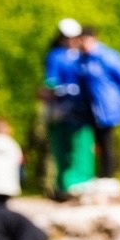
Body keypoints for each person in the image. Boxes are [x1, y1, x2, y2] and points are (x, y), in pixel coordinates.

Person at [42, 19, 96, 199]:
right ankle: (65, 185)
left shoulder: (83, 56)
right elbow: (51, 81)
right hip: (62, 109)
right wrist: (61, 89)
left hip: (83, 110)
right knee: (62, 147)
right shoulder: (56, 56)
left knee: (82, 146)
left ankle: (83, 181)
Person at [78, 25, 120, 181]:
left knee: (106, 142)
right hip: (90, 109)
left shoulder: (107, 56)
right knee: (95, 144)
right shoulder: (83, 59)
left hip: (106, 107)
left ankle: (108, 176)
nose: (83, 44)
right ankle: (99, 175)